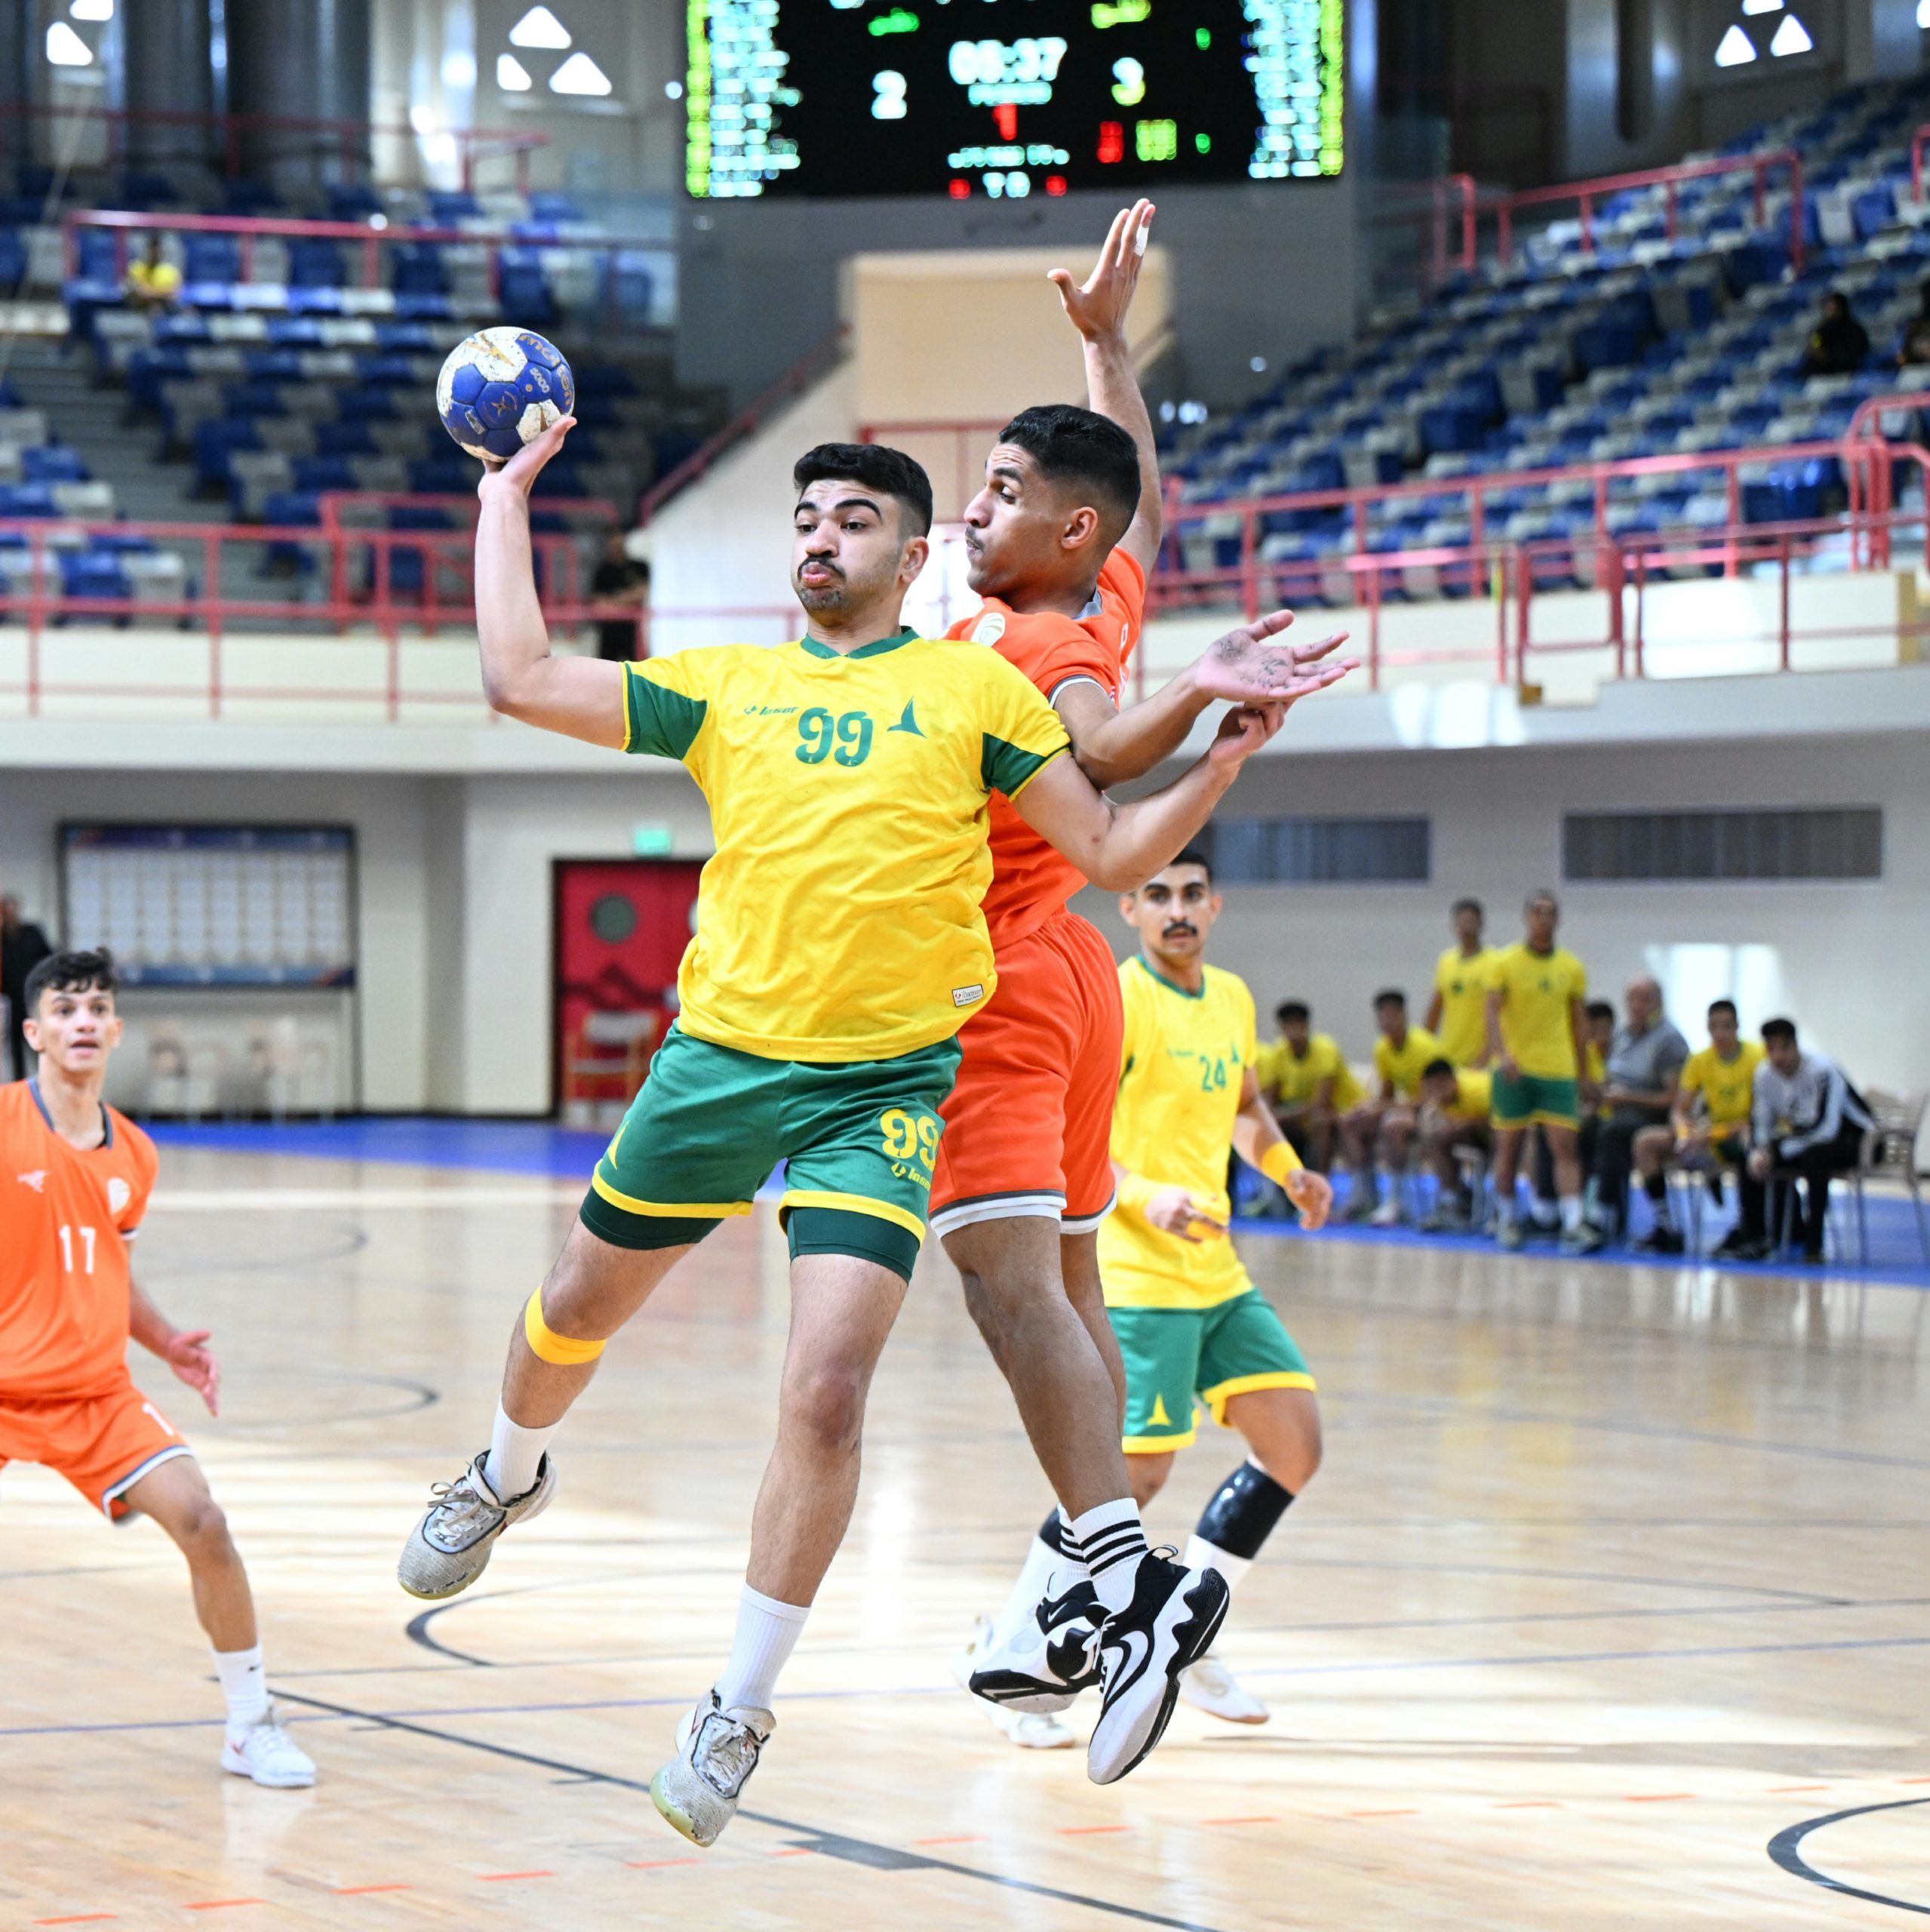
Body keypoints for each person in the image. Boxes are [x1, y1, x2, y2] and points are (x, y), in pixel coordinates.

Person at [397, 423, 1314, 1844]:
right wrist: (502, 495)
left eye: (852, 520)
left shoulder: (973, 690)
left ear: (912, 552)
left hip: (876, 1093)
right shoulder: (728, 684)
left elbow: (1109, 850)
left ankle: (736, 1708)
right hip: (717, 1065)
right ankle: (504, 1472)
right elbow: (518, 677)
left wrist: (1221, 754)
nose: (820, 538)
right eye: (806, 519)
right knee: (574, 1304)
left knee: (826, 1389)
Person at [927, 200, 1353, 1747]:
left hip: (994, 978)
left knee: (1009, 1297)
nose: (974, 508)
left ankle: (1097, 1596)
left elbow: (1101, 749)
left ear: (1061, 534)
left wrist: (1187, 696)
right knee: (1072, 1291)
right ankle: (1091, 1594)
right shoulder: (1090, 588)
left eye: (1001, 492)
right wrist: (1106, 349)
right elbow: (1143, 514)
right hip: (1071, 972)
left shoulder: (1030, 648)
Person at [973, 851, 1332, 1748]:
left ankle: (1186, 1633)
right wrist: (1144, 1197)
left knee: (1292, 1443)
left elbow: (1245, 1105)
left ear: (1215, 905)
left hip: (1215, 1272)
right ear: (1129, 906)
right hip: (1134, 1272)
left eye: (1191, 894)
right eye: (1158, 894)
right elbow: (1071, 1134)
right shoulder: (1120, 998)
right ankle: (1017, 1650)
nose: (1177, 909)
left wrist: (1288, 1171)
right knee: (1127, 1478)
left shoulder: (1232, 998)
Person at [1, 949, 314, 1787]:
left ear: (116, 1030)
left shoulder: (134, 1154)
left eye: (97, 1008)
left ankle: (250, 1725)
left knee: (204, 1521)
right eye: (65, 1009)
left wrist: (167, 1340)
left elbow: (108, 1270)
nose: (83, 1021)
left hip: (93, 1392)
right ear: (33, 1033)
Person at [1485, 890, 1590, 1254]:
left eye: (1550, 912)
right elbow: (1491, 1012)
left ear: (1558, 919)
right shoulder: (1504, 962)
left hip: (1558, 1070)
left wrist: (1584, 1073)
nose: (1544, 918)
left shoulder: (1571, 967)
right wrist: (1502, 1055)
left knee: (1565, 1147)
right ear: (1526, 917)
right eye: (1537, 912)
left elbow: (1579, 1024)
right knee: (1509, 1149)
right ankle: (1507, 1219)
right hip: (1514, 1070)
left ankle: (1574, 1224)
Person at [1629, 998, 1763, 1257]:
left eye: (1727, 1026)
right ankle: (1667, 1226)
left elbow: (1760, 1116)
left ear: (1737, 1026)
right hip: (1708, 1134)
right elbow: (1679, 1109)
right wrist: (1684, 1134)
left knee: (1750, 1144)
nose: (1720, 1033)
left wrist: (1713, 1133)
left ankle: (1748, 1229)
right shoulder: (1700, 1060)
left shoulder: (1757, 1056)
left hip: (1742, 1131)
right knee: (1645, 1142)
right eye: (1714, 1027)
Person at [1572, 978, 1687, 1253]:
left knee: (1613, 1132)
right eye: (1633, 999)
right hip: (1616, 1110)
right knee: (1576, 1128)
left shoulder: (1669, 1040)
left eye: (1645, 999)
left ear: (1659, 1003)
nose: (1638, 1006)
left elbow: (1673, 1098)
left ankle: (1604, 1213)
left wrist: (1626, 1098)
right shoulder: (1623, 1036)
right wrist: (1596, 1092)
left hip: (1653, 1114)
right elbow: (1613, 1079)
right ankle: (1564, 1211)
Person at [1745, 1017, 1872, 1263]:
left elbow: (1827, 1130)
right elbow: (1762, 1124)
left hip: (1857, 1140)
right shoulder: (1764, 1075)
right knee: (1752, 1160)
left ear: (1796, 1045)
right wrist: (1760, 1151)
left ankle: (1814, 1244)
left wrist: (1778, 1151)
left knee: (1815, 1157)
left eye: (1784, 1048)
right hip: (1807, 1141)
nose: (1778, 1056)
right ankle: (1757, 1235)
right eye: (1771, 1049)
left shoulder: (1824, 1071)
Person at [1338, 989, 1442, 1226]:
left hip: (1431, 1112)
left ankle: (1396, 1200)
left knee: (1393, 1125)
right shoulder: (1382, 1048)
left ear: (1404, 1016)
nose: (1386, 1023)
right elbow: (1386, 1094)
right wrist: (1368, 1107)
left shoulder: (1425, 1046)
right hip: (1404, 1108)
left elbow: (1429, 1098)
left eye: (1392, 1016)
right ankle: (1363, 1195)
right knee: (1350, 1122)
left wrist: (1387, 1108)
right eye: (1382, 1017)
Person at [1256, 1000, 1360, 1174]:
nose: (1293, 1032)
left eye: (1297, 1025)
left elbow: (1321, 1103)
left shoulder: (1325, 1050)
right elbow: (1271, 1100)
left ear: (1307, 1027)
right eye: (1287, 1026)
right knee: (1271, 1126)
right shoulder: (1278, 1054)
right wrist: (1271, 1116)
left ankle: (1320, 1179)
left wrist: (1280, 1115)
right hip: (1302, 1115)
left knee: (1321, 1121)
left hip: (1343, 1110)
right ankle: (1284, 1183)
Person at [1416, 1057, 1493, 1230]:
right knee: (1437, 1140)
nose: (1436, 1095)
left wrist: (1467, 1123)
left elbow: (1505, 1122)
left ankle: (1497, 1211)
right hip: (1476, 1133)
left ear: (1450, 1081)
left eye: (1439, 1088)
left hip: (1496, 1133)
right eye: (1431, 1089)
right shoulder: (1438, 1099)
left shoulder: (1480, 1092)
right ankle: (1452, 1201)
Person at [1423, 897, 1494, 1068]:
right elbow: (1436, 1008)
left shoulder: (1495, 962)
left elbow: (1502, 1016)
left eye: (1471, 921)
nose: (1466, 927)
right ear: (1454, 926)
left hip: (1482, 1059)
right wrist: (1425, 1048)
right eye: (1462, 921)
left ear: (1481, 924)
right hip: (1450, 1055)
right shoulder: (1446, 961)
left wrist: (1485, 1057)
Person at [2, 893, 55, 1081]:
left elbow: (49, 957)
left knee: (40, 1043)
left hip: (34, 998)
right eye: (5, 911)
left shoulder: (32, 933)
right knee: (16, 1048)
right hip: (12, 1001)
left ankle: (46, 1081)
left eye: (12, 910)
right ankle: (20, 1084)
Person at [589, 528, 649, 662]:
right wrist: (628, 600)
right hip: (609, 631)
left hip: (634, 631)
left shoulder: (639, 566)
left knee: (637, 668)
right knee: (606, 668)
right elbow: (599, 604)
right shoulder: (602, 571)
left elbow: (642, 593)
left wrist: (613, 601)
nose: (616, 545)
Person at [1801, 289, 1870, 378]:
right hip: (1822, 374)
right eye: (1829, 309)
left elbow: (1857, 352)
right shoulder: (1821, 330)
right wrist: (1817, 353)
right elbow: (1816, 346)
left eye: (1834, 309)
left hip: (1849, 373)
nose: (1831, 312)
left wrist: (1830, 357)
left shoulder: (1854, 329)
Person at [125, 233, 183, 312]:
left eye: (157, 249)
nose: (155, 252)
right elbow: (141, 293)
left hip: (164, 311)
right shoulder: (136, 268)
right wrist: (163, 292)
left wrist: (150, 291)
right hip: (139, 311)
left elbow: (173, 295)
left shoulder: (170, 271)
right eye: (152, 249)